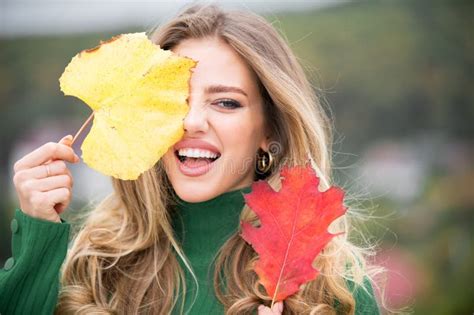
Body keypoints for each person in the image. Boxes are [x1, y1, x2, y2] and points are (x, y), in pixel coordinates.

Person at [0, 4, 381, 315]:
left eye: (226, 102)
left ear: (271, 131)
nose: (192, 121)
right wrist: (38, 233)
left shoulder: (326, 286)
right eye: (174, 100)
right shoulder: (95, 266)